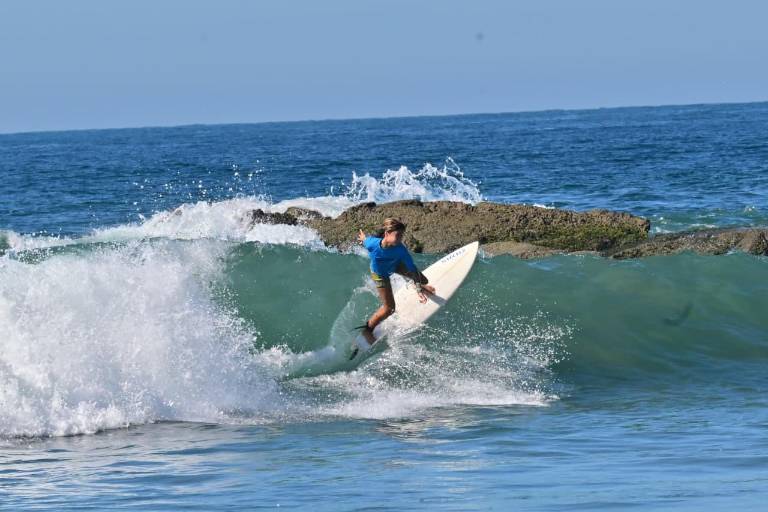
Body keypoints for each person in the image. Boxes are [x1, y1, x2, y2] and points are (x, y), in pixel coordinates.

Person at [355, 218, 435, 346]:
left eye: (402, 236)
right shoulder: (372, 244)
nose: (400, 239)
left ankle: (417, 288)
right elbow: (365, 240)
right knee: (389, 309)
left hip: (395, 265)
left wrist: (419, 288)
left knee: (422, 279)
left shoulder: (400, 249)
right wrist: (363, 238)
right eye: (398, 235)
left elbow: (412, 269)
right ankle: (368, 329)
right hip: (380, 275)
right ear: (387, 234)